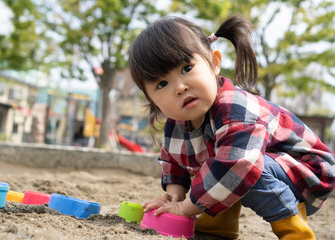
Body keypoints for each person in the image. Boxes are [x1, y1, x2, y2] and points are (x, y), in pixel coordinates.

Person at [128, 14, 335, 239]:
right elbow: (173, 160)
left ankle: (294, 230)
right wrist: (175, 194)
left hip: (309, 176)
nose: (180, 87)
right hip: (265, 167)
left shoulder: (236, 108)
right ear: (152, 100)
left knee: (238, 165)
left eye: (187, 68)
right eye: (162, 83)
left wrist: (186, 208)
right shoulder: (177, 123)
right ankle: (219, 223)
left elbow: (239, 164)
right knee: (212, 161)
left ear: (214, 63)